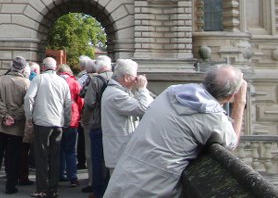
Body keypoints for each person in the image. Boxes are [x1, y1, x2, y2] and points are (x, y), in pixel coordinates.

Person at [104, 65, 248, 198]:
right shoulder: (213, 118)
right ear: (230, 96)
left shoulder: (172, 91)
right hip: (151, 188)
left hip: (122, 178)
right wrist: (240, 102)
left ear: (205, 79)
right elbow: (231, 143)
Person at [24, 56, 71, 198]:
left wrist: (29, 117)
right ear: (55, 67)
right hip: (58, 122)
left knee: (41, 156)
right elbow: (68, 104)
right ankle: (53, 189)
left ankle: (42, 189)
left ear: (43, 67)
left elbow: (29, 97)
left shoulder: (39, 79)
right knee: (55, 157)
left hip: (42, 122)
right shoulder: (62, 82)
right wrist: (66, 121)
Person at [0, 56, 30, 194]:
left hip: (1, 124)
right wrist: (14, 116)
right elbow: (27, 104)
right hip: (16, 125)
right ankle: (10, 185)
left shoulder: (1, 80)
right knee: (13, 156)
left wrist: (5, 115)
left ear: (12, 66)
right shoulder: (26, 83)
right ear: (23, 69)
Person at [101, 59, 152, 175]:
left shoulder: (119, 92)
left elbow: (149, 105)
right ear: (126, 77)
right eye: (135, 77)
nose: (136, 80)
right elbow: (144, 108)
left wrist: (140, 90)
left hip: (121, 152)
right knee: (121, 186)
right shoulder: (116, 95)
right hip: (120, 153)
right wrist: (142, 89)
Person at [81, 56, 112, 197]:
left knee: (97, 158)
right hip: (113, 124)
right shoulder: (117, 78)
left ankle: (98, 190)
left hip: (98, 122)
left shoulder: (96, 80)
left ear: (98, 67)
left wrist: (85, 120)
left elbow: (89, 102)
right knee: (111, 157)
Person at [57, 64, 83, 187]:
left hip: (57, 118)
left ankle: (59, 174)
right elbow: (80, 101)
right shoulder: (75, 82)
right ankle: (72, 176)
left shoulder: (55, 81)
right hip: (72, 118)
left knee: (59, 149)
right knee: (70, 150)